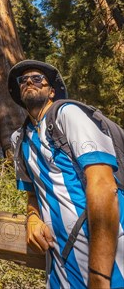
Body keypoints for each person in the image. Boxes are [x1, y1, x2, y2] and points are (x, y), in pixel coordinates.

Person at [8, 60, 124, 289]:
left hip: (110, 266)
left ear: (51, 90)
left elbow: (103, 185)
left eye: (38, 78)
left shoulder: (68, 115)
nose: (29, 81)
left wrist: (99, 278)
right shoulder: (19, 139)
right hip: (61, 270)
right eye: (23, 80)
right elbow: (32, 192)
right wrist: (32, 217)